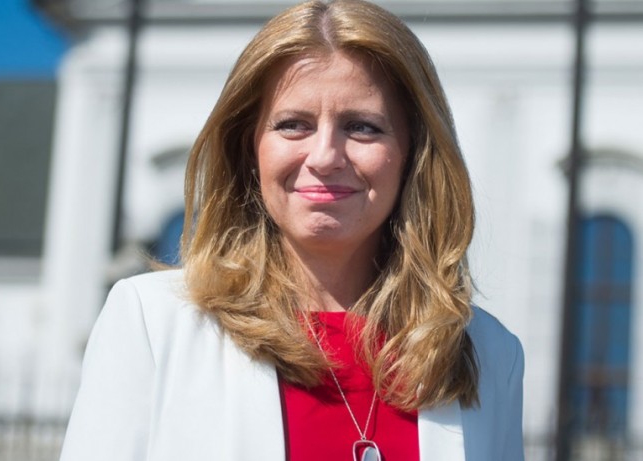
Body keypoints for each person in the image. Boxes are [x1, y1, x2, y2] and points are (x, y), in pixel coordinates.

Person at [59, 0, 524, 459]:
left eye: (362, 127)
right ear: (250, 149)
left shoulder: (489, 355)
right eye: (293, 125)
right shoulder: (153, 324)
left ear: (413, 153)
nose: (324, 157)